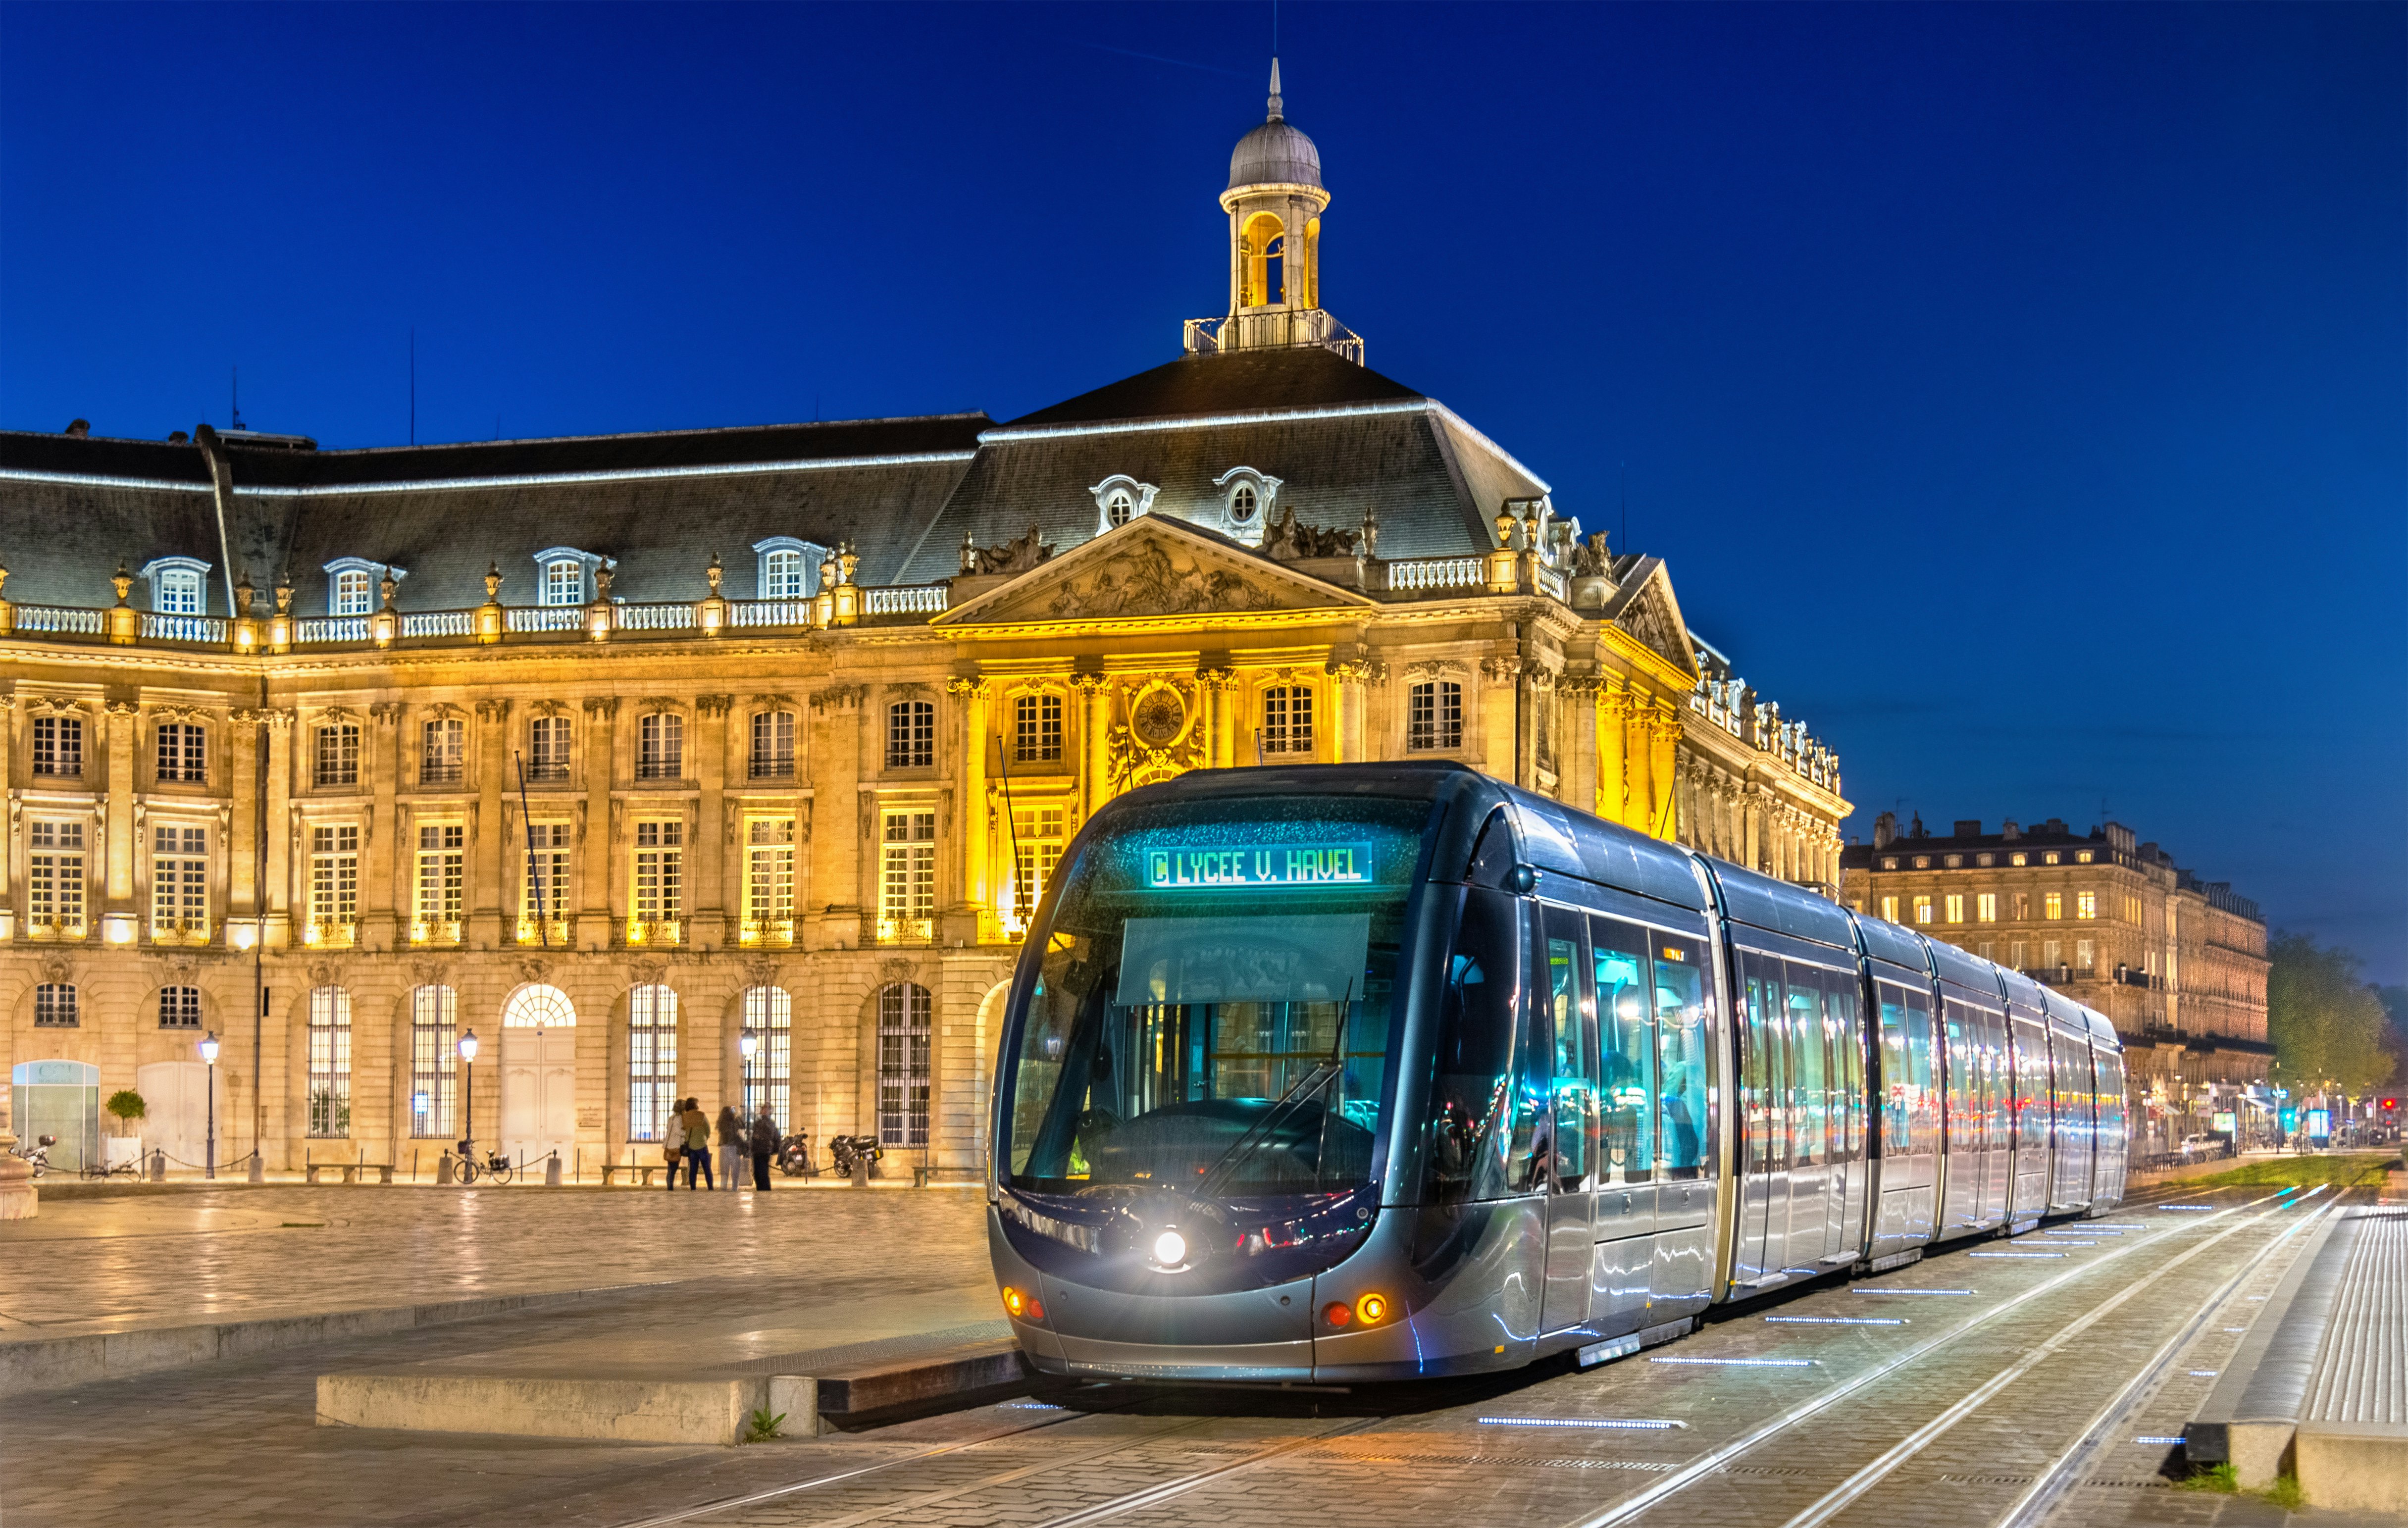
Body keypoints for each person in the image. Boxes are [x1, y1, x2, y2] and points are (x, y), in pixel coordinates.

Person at [681, 1098, 714, 1189]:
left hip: (691, 1146)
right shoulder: (701, 1115)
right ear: (696, 1105)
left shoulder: (685, 1117)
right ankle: (710, 1187)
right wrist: (705, 1138)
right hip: (702, 1145)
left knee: (693, 1169)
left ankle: (693, 1188)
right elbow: (708, 1129)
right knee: (707, 1168)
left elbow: (683, 1131)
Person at [749, 1106, 779, 1191]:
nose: (764, 1111)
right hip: (757, 1150)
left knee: (763, 1172)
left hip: (765, 1150)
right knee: (757, 1172)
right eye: (763, 1110)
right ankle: (761, 1189)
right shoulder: (758, 1122)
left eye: (766, 1110)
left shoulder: (769, 1123)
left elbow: (775, 1137)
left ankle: (765, 1189)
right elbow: (753, 1136)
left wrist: (775, 1149)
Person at [717, 1105, 745, 1192]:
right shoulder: (734, 1121)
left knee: (724, 1170)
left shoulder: (721, 1123)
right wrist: (738, 1114)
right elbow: (742, 1127)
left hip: (723, 1147)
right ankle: (734, 1188)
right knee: (735, 1170)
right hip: (733, 1147)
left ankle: (723, 1187)